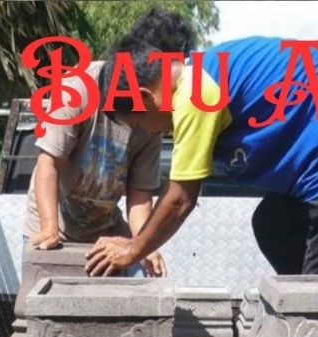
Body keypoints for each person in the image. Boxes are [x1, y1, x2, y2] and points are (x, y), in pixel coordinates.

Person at [84, 37, 318, 277]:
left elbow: (180, 198)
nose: (149, 132)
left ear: (145, 97)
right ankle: (304, 316)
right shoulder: (198, 78)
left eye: (139, 123)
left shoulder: (195, 93)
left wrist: (134, 248)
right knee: (274, 225)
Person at [24, 8, 196, 275]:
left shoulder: (155, 115)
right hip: (52, 223)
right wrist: (49, 228)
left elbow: (139, 194)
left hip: (106, 232)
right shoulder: (77, 88)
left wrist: (144, 246)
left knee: (133, 289)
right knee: (39, 296)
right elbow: (49, 162)